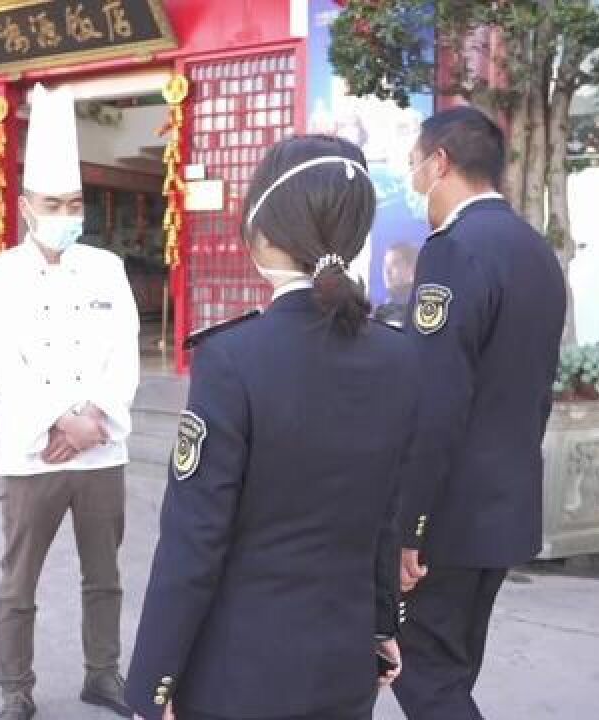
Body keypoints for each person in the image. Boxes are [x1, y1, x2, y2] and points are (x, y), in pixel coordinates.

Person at [126, 135, 422, 720]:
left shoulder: (233, 358)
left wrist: (153, 683)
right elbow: (386, 513)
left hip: (240, 671)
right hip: (342, 660)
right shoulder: (400, 356)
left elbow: (193, 542)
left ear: (264, 234)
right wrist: (380, 625)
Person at [393, 107, 567, 719]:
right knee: (454, 669)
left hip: (450, 521)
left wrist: (409, 524)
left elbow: (434, 399)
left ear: (440, 162)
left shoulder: (453, 251)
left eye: (415, 168)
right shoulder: (537, 252)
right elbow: (534, 392)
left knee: (425, 678)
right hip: (505, 509)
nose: (416, 185)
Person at [0, 83, 140, 720]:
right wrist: (59, 421)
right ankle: (16, 689)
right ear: (24, 207)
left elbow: (123, 351)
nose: (66, 213)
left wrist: (94, 419)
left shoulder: (106, 267)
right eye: (52, 203)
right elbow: (4, 366)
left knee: (106, 577)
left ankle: (104, 674)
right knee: (19, 585)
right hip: (32, 451)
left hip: (101, 452)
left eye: (74, 203)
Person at [373, 242, 422, 328]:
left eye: (394, 264)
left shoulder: (423, 310)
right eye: (385, 264)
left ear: (411, 269)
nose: (387, 271)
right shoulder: (381, 311)